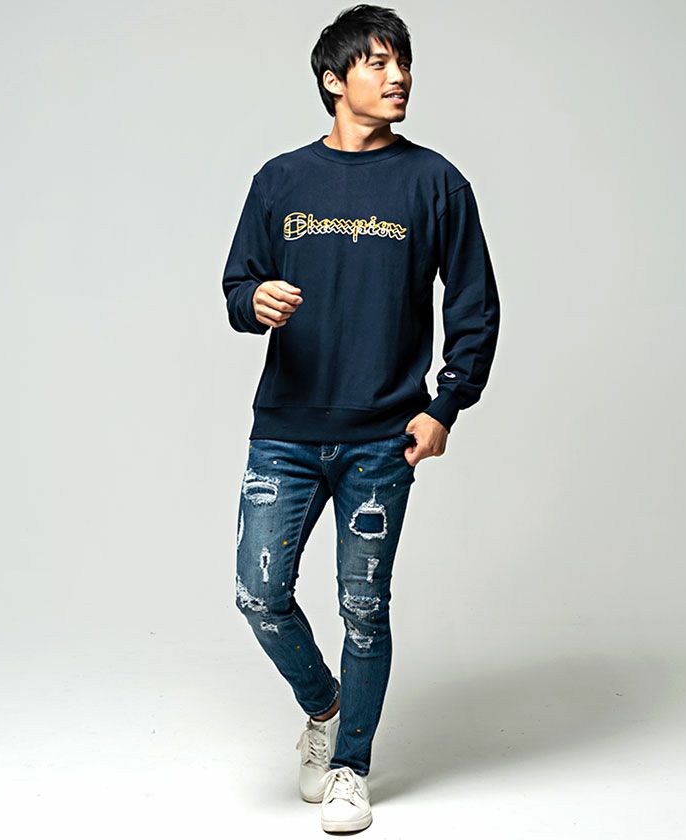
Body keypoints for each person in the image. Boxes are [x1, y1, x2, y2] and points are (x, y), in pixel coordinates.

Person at [222, 4, 500, 833]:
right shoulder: (280, 179)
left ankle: (351, 767)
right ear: (334, 80)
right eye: (378, 62)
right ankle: (325, 706)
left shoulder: (436, 182)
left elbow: (476, 306)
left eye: (402, 61)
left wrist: (446, 406)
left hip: (383, 436)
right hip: (286, 430)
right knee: (259, 593)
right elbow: (238, 284)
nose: (398, 75)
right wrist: (254, 302)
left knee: (364, 609)